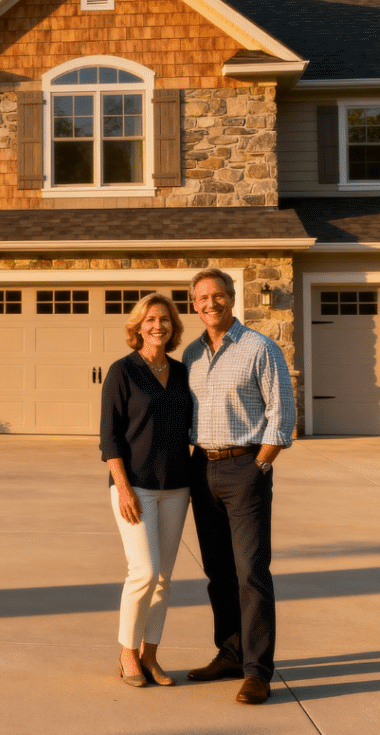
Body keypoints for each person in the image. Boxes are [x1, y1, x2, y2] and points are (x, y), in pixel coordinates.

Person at [183, 267, 296, 705]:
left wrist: (260, 466)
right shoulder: (191, 354)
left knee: (251, 571)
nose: (209, 303)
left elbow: (281, 414)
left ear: (232, 298)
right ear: (193, 304)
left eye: (217, 295)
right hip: (201, 469)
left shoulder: (259, 348)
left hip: (244, 467)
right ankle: (230, 653)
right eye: (200, 297)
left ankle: (258, 670)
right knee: (219, 573)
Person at [100, 292, 192, 688]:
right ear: (138, 327)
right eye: (151, 319)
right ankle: (126, 653)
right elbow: (109, 437)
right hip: (134, 485)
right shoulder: (123, 371)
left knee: (165, 578)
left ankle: (150, 655)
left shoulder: (181, 371)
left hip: (176, 486)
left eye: (165, 320)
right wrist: (123, 489)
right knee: (144, 571)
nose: (158, 326)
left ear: (173, 328)